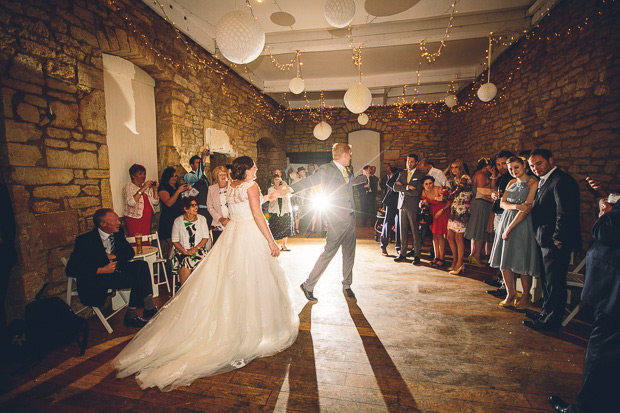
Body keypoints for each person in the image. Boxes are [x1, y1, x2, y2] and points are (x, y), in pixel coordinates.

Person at [113, 156, 299, 391]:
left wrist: (269, 197)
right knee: (252, 280)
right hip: (249, 235)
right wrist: (271, 241)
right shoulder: (251, 186)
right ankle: (250, 330)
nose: (257, 169)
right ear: (247, 170)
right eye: (254, 167)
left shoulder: (232, 186)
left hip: (233, 234)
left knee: (230, 281)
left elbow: (244, 208)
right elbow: (256, 214)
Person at [549, 192, 619, 413]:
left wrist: (607, 212)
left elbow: (606, 232)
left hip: (614, 292)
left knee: (602, 350)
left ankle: (584, 408)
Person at [291, 143, 368, 301]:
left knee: (349, 253)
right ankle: (308, 285)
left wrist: (362, 178)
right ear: (345, 154)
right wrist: (289, 189)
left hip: (350, 218)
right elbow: (309, 182)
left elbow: (348, 186)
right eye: (350, 154)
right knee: (328, 253)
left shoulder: (346, 170)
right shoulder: (326, 169)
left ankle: (347, 285)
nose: (351, 157)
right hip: (336, 220)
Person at [65, 209, 156, 328]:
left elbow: (129, 253)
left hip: (115, 272)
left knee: (141, 265)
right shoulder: (85, 240)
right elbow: (71, 269)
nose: (119, 222)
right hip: (98, 277)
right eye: (115, 220)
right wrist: (101, 270)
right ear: (103, 224)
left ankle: (143, 309)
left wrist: (114, 256)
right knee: (138, 278)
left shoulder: (118, 233)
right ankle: (136, 313)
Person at [524, 149, 581, 330]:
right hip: (545, 239)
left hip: (555, 241)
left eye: (539, 163)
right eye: (532, 166)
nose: (535, 168)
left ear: (550, 160)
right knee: (548, 281)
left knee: (555, 282)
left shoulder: (562, 180)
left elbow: (564, 212)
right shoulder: (545, 179)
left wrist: (558, 239)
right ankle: (545, 314)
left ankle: (551, 322)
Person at [488, 157, 541, 309]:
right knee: (505, 259)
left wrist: (509, 228)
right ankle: (510, 292)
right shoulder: (511, 182)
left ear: (524, 165)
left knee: (522, 260)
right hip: (507, 219)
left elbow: (527, 209)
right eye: (510, 168)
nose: (513, 171)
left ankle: (525, 294)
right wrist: (517, 206)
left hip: (522, 223)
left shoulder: (533, 183)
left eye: (516, 167)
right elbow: (502, 203)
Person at [487, 150, 516, 297]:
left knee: (506, 249)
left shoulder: (516, 179)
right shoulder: (501, 178)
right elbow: (496, 195)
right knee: (498, 247)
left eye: (503, 163)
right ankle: (501, 279)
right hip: (499, 213)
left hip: (509, 215)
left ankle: (507, 287)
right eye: (498, 164)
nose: (501, 167)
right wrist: (493, 196)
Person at [393, 153, 425, 265]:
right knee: (403, 230)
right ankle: (402, 253)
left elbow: (417, 192)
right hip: (401, 205)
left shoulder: (420, 175)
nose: (409, 164)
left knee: (415, 231)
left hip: (413, 206)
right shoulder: (402, 173)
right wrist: (407, 187)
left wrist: (403, 188)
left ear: (416, 162)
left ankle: (417, 254)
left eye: (411, 161)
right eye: (408, 161)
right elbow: (395, 187)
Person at [171, 197, 210, 285]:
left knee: (199, 263)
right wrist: (185, 251)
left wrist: (196, 248)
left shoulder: (202, 219)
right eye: (193, 205)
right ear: (186, 209)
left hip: (199, 250)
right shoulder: (178, 221)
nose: (196, 207)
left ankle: (197, 292)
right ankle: (184, 292)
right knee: (185, 264)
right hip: (182, 251)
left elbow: (205, 237)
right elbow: (175, 240)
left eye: (196, 205)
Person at [465, 158, 496, 266]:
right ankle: (476, 256)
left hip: (484, 204)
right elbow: (483, 191)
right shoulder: (481, 174)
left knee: (479, 228)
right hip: (481, 204)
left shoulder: (483, 174)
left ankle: (474, 254)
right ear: (486, 166)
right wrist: (493, 178)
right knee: (479, 229)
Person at [445, 158, 473, 275]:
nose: (454, 170)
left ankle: (460, 263)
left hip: (462, 210)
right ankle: (455, 260)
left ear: (461, 167)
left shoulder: (465, 178)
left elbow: (456, 191)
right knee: (450, 237)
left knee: (458, 238)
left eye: (456, 167)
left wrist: (445, 196)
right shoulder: (454, 179)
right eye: (452, 167)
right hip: (454, 209)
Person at [158, 167, 190, 258]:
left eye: (176, 176)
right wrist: (178, 191)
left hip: (178, 217)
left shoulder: (177, 186)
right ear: (167, 177)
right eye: (172, 176)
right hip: (168, 219)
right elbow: (169, 203)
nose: (174, 178)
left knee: (181, 244)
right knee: (172, 245)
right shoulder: (163, 187)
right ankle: (170, 269)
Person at [123, 164, 159, 237]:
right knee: (136, 240)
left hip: (147, 219)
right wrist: (143, 188)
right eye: (140, 174)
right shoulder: (128, 187)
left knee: (146, 240)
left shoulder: (146, 188)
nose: (143, 176)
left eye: (144, 174)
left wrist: (155, 189)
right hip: (134, 219)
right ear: (133, 175)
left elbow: (155, 202)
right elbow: (131, 202)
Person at [421, 176, 450, 267]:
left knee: (440, 235)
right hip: (433, 213)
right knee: (434, 235)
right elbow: (426, 204)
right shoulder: (424, 192)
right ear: (423, 185)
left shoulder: (438, 190)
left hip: (442, 212)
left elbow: (450, 201)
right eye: (426, 184)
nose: (429, 185)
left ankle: (442, 258)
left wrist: (442, 210)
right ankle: (436, 257)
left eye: (430, 183)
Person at [266, 174, 294, 251]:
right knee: (274, 229)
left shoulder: (286, 187)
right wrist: (282, 188)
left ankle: (284, 245)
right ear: (273, 181)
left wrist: (285, 185)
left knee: (285, 228)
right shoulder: (271, 189)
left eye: (279, 179)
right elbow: (278, 194)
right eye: (275, 179)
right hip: (275, 211)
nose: (277, 181)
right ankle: (273, 245)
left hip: (285, 210)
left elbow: (291, 192)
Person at [184, 150, 213, 227]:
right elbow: (196, 177)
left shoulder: (204, 177)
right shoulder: (188, 175)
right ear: (192, 165)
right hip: (197, 209)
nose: (199, 165)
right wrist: (203, 157)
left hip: (206, 209)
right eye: (197, 163)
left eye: (200, 163)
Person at [380, 166, 402, 256]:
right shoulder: (400, 172)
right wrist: (397, 186)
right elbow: (389, 183)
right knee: (387, 224)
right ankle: (383, 246)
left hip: (402, 203)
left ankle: (398, 247)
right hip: (392, 201)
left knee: (399, 225)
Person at [206, 166, 230, 244]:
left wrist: (229, 218)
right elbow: (209, 207)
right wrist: (221, 219)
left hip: (232, 221)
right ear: (216, 176)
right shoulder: (211, 188)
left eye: (225, 174)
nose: (223, 176)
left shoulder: (233, 186)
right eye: (220, 175)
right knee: (219, 246)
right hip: (218, 223)